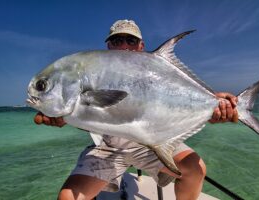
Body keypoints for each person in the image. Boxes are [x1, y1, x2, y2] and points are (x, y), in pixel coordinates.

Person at [34, 20, 238, 200]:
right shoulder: (96, 71)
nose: (123, 45)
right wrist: (61, 116)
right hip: (108, 147)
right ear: (108, 45)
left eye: (130, 41)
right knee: (68, 197)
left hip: (150, 143)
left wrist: (213, 103)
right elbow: (90, 116)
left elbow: (176, 96)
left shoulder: (156, 73)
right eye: (117, 40)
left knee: (196, 169)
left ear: (141, 46)